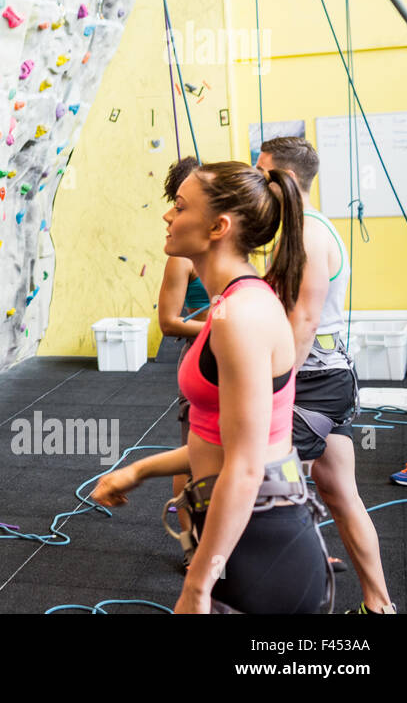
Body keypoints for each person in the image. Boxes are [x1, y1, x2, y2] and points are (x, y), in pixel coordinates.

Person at [93, 161, 332, 613]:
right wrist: (140, 471)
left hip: (260, 539)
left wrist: (196, 587)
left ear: (218, 226)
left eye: (180, 207)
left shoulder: (240, 316)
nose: (168, 216)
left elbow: (244, 467)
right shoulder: (228, 306)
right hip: (242, 530)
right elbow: (220, 442)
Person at [257, 136, 395, 613]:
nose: (259, 181)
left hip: (313, 383)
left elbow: (305, 321)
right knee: (339, 492)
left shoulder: (310, 235)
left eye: (264, 173)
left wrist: (275, 389)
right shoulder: (299, 232)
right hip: (326, 378)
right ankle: (379, 605)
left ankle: (293, 593)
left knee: (264, 489)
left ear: (286, 180)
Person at [155, 156, 209, 554]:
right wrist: (218, 327)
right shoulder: (181, 257)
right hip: (201, 356)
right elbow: (169, 322)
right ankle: (191, 545)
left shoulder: (228, 246)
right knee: (191, 454)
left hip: (232, 354)